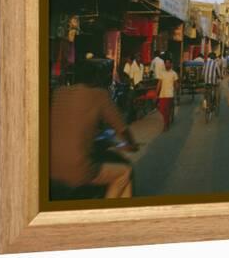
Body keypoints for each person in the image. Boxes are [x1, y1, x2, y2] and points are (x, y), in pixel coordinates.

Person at [50, 60, 138, 199]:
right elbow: (122, 129)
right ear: (97, 77)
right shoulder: (99, 94)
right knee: (125, 172)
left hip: (48, 167)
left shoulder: (59, 92)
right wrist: (132, 144)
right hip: (77, 170)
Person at [156, 58, 179, 131]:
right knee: (161, 109)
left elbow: (176, 84)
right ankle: (167, 121)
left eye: (168, 63)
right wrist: (156, 93)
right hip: (162, 94)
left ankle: (166, 125)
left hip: (170, 94)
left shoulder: (174, 73)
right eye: (166, 63)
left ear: (171, 64)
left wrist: (176, 91)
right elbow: (159, 83)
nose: (167, 64)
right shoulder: (161, 73)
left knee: (167, 110)